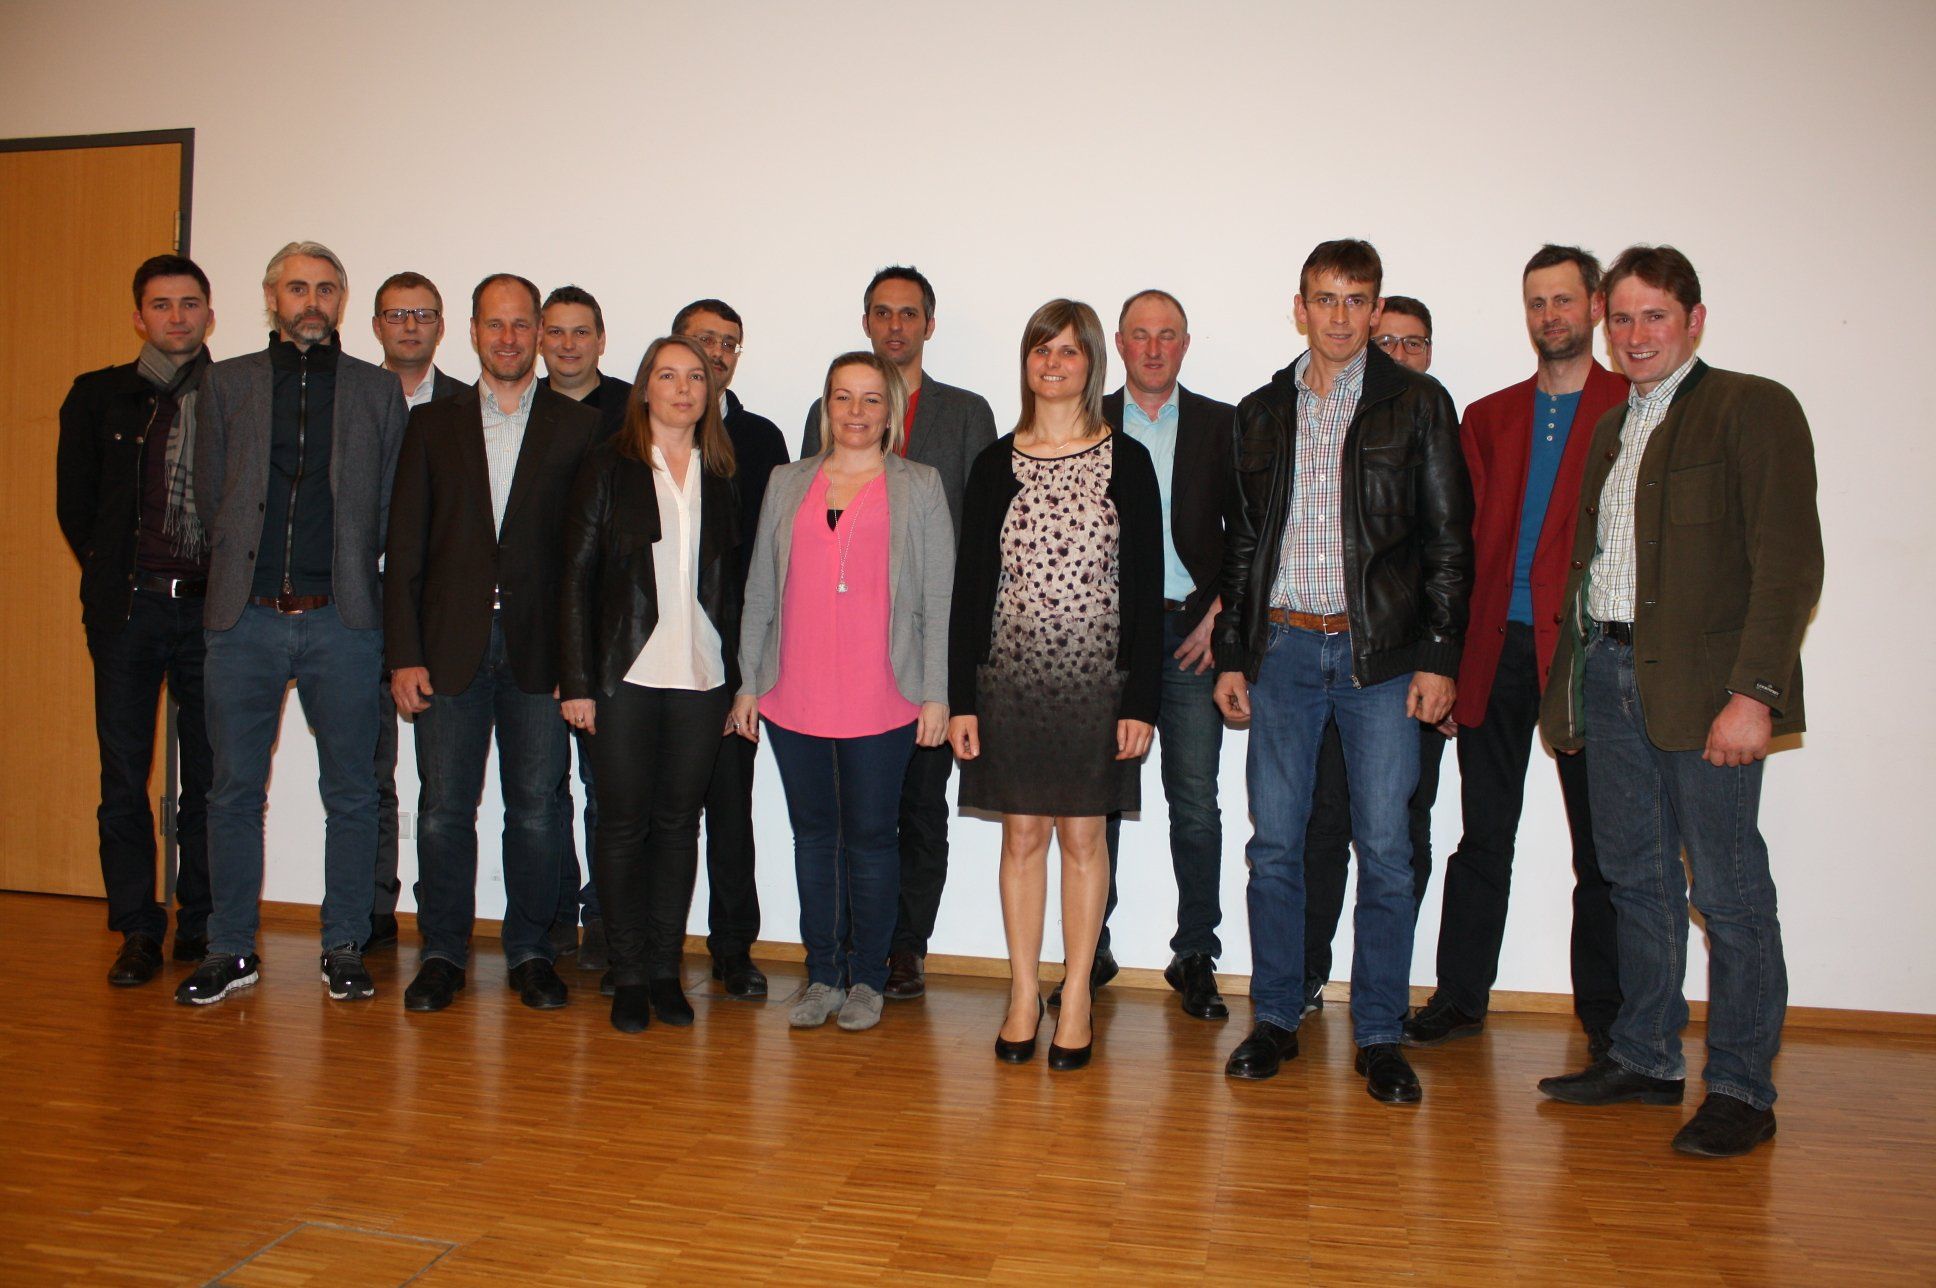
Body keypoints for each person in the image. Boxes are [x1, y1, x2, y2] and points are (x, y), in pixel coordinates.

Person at [1538, 245, 1822, 1158]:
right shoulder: (1612, 428)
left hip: (1708, 698)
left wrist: (1754, 695)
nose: (1634, 334)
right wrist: (1571, 694)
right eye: (1620, 318)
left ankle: (1741, 1088)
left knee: (1729, 896)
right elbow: (1589, 575)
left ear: (1694, 320)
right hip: (1612, 681)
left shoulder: (1752, 407)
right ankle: (1646, 1057)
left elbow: (1788, 566)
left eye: (1654, 315)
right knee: (1636, 882)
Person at [1213, 239, 1471, 1103]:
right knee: (1275, 846)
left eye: (1356, 300)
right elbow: (1244, 546)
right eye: (1324, 299)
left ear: (1375, 309)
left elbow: (1449, 541)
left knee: (1388, 850)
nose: (1339, 316)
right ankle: (1276, 1019)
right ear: (1300, 308)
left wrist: (1439, 657)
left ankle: (1381, 1034)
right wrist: (1233, 654)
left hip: (1382, 661)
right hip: (1283, 652)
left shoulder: (1418, 404)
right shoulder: (1261, 412)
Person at [1403, 247, 1627, 1056]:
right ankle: (1460, 998)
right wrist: (1452, 662)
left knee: (1602, 847)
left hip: (1586, 656)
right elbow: (1457, 546)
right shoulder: (1489, 417)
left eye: (1564, 300)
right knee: (1483, 836)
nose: (1550, 316)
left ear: (1594, 306)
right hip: (1496, 649)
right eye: (1537, 303)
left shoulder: (1629, 404)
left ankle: (1607, 1018)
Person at [176, 240, 408, 1005]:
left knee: (353, 793)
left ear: (342, 301)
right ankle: (231, 948)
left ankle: (343, 944)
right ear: (272, 297)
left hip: (343, 620)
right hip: (242, 620)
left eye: (327, 289)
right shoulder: (227, 383)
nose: (313, 301)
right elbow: (213, 493)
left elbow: (386, 505)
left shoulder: (377, 391)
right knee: (232, 792)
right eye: (298, 287)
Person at [949, 299, 1163, 1071]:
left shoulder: (1126, 462)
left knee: (1082, 837)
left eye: (1068, 350)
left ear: (1091, 363)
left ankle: (1075, 996)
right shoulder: (993, 464)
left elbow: (1144, 590)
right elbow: (972, 590)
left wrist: (1141, 701)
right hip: (1010, 680)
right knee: (1023, 836)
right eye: (1042, 349)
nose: (1053, 363)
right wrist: (962, 699)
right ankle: (1021, 994)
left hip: (1096, 682)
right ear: (1027, 362)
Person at [383, 273, 602, 1013]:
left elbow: (588, 560)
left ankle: (531, 950)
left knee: (538, 807)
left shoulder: (579, 428)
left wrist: (580, 665)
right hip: (448, 648)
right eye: (494, 324)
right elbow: (405, 549)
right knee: (444, 807)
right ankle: (442, 952)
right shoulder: (431, 425)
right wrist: (403, 653)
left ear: (537, 332)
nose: (508, 338)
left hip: (541, 653)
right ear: (473, 332)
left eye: (521, 324)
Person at [731, 351, 953, 1032]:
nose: (856, 412)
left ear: (891, 412)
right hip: (792, 689)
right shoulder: (785, 481)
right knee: (814, 837)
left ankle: (867, 979)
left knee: (873, 838)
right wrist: (747, 683)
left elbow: (939, 597)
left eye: (871, 399)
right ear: (826, 407)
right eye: (842, 397)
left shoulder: (920, 485)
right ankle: (823, 973)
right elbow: (760, 588)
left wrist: (937, 693)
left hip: (884, 691)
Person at [803, 266, 997, 1001]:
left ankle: (904, 947)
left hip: (930, 652)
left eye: (908, 313)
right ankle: (848, 948)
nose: (895, 325)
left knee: (919, 805)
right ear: (866, 323)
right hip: (844, 656)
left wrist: (960, 658)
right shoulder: (829, 412)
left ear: (929, 325)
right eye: (882, 313)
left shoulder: (966, 413)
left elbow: (982, 534)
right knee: (846, 812)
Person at [558, 335, 741, 1034]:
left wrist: (742, 681)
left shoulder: (720, 471)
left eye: (695, 377)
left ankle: (665, 970)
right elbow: (574, 577)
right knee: (622, 824)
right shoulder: (609, 465)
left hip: (702, 673)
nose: (684, 388)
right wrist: (577, 681)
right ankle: (628, 972)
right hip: (623, 673)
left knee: (677, 825)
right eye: (668, 375)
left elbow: (733, 587)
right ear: (644, 388)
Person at [1067, 288, 1236, 1020]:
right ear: (1119, 344)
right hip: (1107, 643)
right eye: (1141, 334)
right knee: (1095, 803)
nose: (1155, 348)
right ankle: (1090, 950)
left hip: (1193, 639)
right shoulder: (1085, 421)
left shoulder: (1223, 425)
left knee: (1195, 804)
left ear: (1186, 345)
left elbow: (1252, 534)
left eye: (1168, 335)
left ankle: (1195, 953)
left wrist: (1221, 617)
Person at [57, 254, 217, 986]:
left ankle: (201, 922)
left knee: (211, 777)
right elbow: (77, 506)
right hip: (129, 609)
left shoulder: (234, 395)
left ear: (209, 314)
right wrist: (109, 571)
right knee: (124, 775)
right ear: (138, 317)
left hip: (212, 612)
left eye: (189, 304)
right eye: (161, 305)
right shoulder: (99, 396)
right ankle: (138, 929)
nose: (176, 317)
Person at [1299, 292, 1447, 1015]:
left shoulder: (1431, 418)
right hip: (1323, 655)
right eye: (1386, 342)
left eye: (1413, 342)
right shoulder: (1327, 416)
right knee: (1321, 826)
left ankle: (1381, 1003)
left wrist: (1443, 660)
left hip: (1403, 666)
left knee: (1398, 836)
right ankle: (1304, 979)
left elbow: (1451, 550)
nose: (1399, 354)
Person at [673, 298, 790, 999]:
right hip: (650, 655)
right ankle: (646, 949)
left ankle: (733, 949)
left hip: (732, 656)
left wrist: (757, 662)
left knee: (729, 810)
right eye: (703, 340)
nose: (716, 354)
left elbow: (776, 556)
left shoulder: (761, 438)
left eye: (729, 343)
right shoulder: (637, 434)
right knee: (654, 814)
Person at [367, 270, 468, 951]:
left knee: (443, 783)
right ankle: (373, 909)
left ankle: (441, 924)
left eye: (423, 314)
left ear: (442, 326)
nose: (410, 326)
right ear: (376, 324)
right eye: (397, 315)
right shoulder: (350, 398)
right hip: (357, 605)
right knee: (367, 770)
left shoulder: (467, 405)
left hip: (443, 617)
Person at [541, 283, 632, 965]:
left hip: (611, 634)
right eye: (556, 331)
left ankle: (605, 917)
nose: (569, 344)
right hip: (531, 626)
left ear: (601, 340)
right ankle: (550, 914)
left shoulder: (633, 412)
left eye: (582, 332)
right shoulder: (519, 408)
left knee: (607, 790)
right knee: (541, 789)